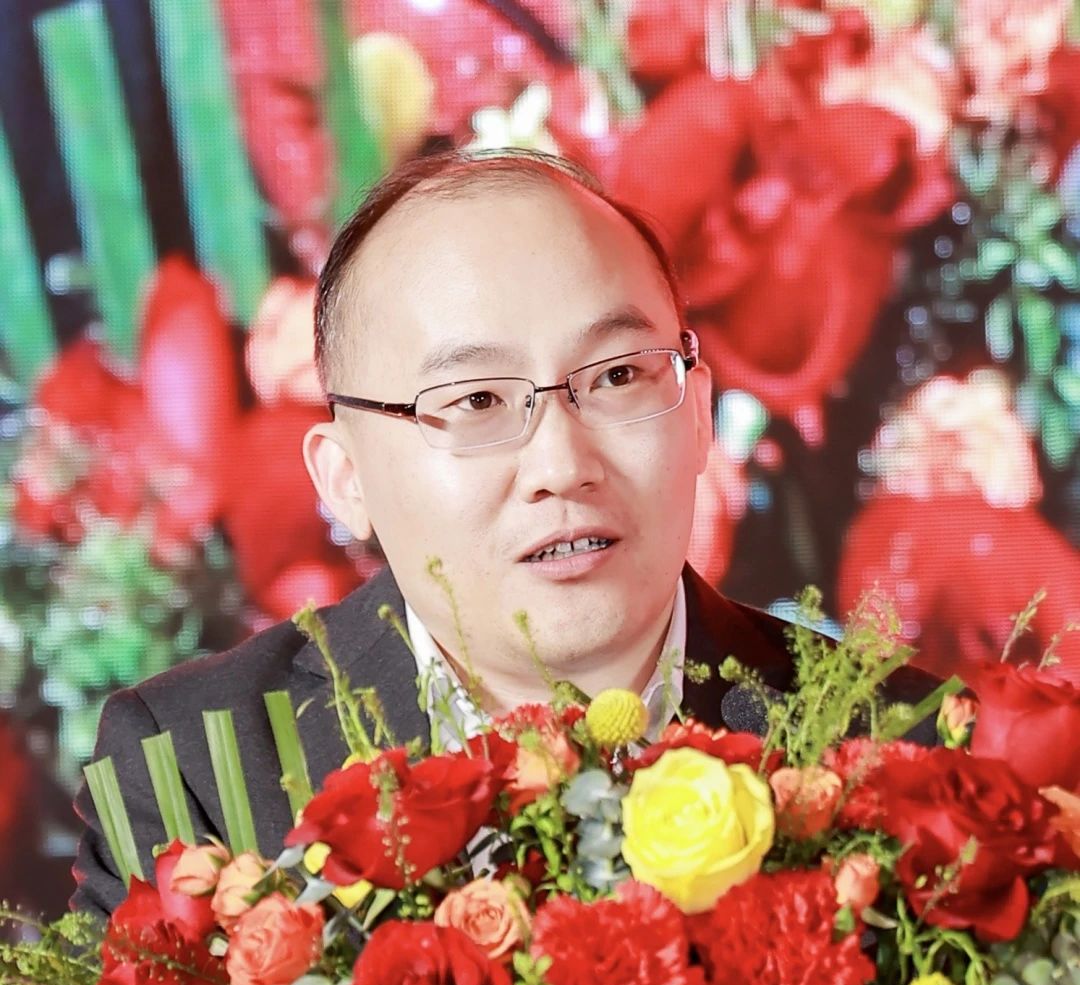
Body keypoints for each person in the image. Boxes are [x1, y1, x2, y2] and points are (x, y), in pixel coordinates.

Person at [71, 149, 935, 918]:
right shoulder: (199, 775)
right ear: (345, 477)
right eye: (477, 400)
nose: (562, 463)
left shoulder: (910, 748)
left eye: (618, 376)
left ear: (699, 413)